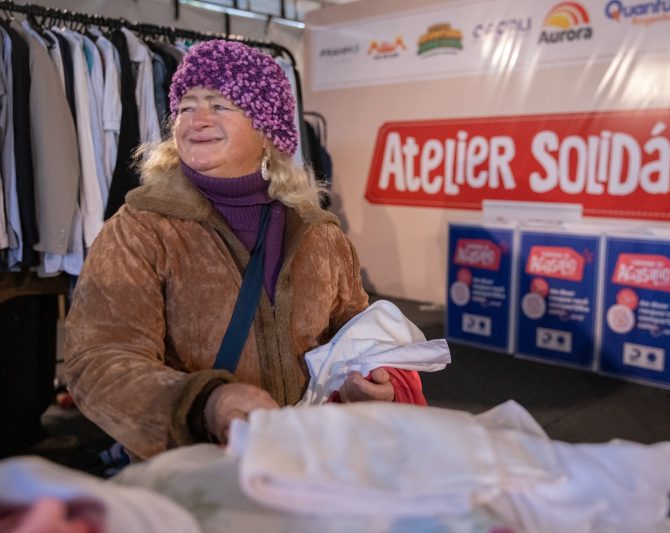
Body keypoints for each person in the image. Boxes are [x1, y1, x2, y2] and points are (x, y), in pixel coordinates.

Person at [63, 40, 425, 461]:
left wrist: (367, 382)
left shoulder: (318, 234)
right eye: (185, 107)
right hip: (194, 471)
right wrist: (205, 404)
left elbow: (353, 334)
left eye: (219, 105)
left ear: (267, 127)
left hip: (303, 461)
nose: (196, 120)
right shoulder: (139, 231)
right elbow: (100, 360)